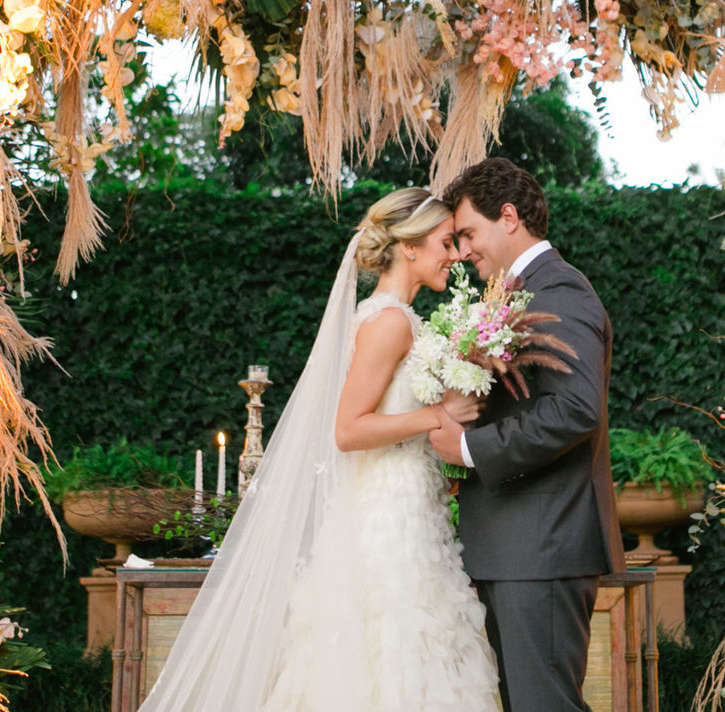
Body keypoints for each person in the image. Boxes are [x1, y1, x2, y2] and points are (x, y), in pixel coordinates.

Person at [140, 186, 500, 712]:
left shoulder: (399, 317)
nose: (456, 254)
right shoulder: (391, 322)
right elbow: (348, 430)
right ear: (410, 247)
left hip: (412, 510)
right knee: (396, 650)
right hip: (388, 523)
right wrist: (437, 417)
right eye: (446, 242)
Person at [431, 157, 627, 712]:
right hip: (511, 548)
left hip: (540, 550)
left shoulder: (559, 288)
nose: (464, 251)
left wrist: (469, 448)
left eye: (468, 233)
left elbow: (574, 409)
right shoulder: (516, 293)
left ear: (509, 216)